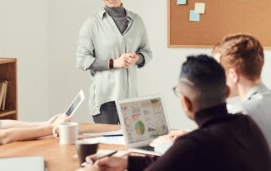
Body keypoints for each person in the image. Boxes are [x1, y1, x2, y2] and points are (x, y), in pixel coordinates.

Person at [80, 55, 271, 171]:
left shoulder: (194, 145)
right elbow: (176, 162)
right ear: (227, 92)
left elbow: (181, 157)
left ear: (185, 102)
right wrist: (126, 163)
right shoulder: (246, 125)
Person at [152, 34, 271, 152]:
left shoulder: (238, 115)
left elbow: (201, 150)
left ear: (233, 75)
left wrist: (164, 144)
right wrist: (188, 134)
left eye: (218, 70)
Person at [76, 0, 152, 124]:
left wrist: (137, 58)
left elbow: (147, 52)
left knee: (132, 144)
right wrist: (114, 63)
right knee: (108, 145)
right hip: (105, 100)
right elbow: (82, 60)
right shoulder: (92, 24)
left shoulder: (137, 21)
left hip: (131, 99)